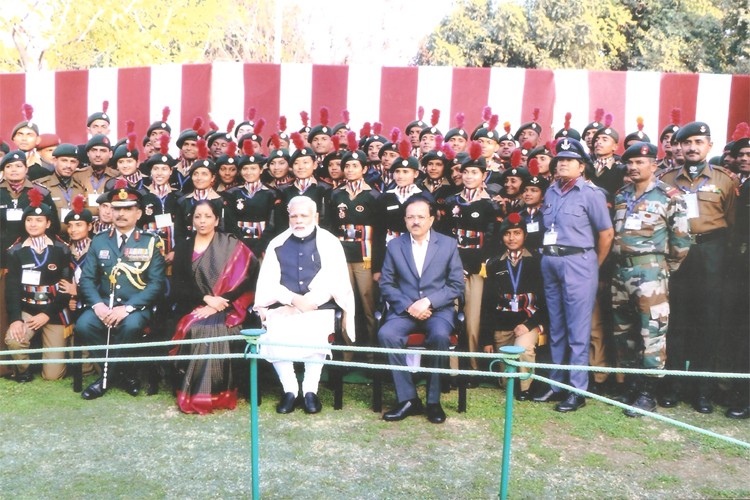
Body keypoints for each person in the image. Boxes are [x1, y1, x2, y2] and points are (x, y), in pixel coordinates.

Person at [659, 122, 739, 413]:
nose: (692, 147)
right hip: (677, 253)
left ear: (709, 145)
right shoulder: (665, 179)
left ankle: (702, 391)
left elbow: (731, 223)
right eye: (687, 142)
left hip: (711, 253)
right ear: (678, 146)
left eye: (698, 142)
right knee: (676, 321)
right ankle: (672, 386)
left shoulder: (725, 180)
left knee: (708, 322)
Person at [610, 142, 691, 416]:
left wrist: (665, 268)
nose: (633, 167)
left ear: (653, 165)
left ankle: (648, 393)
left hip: (651, 272)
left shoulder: (669, 195)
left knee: (652, 332)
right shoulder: (621, 195)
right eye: (629, 163)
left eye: (639, 162)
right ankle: (632, 385)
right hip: (621, 272)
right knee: (624, 333)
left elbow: (681, 239)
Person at [254, 196, 355, 415]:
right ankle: (290, 390)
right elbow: (269, 282)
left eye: (304, 215)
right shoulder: (277, 243)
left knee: (315, 329)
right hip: (284, 305)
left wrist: (311, 301)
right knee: (275, 330)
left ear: (315, 216)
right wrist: (292, 299)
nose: (299, 220)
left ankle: (310, 390)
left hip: (319, 306)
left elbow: (335, 280)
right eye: (294, 216)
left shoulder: (329, 242)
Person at [535, 138, 613, 412]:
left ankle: (577, 390)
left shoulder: (592, 194)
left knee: (578, 329)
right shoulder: (552, 191)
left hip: (578, 261)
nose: (563, 163)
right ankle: (557, 385)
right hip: (551, 261)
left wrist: (594, 264)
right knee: (556, 327)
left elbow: (606, 233)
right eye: (560, 160)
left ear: (582, 166)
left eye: (570, 160)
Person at [74, 181, 166, 400]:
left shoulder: (150, 241)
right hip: (105, 302)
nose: (121, 214)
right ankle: (124, 374)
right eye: (117, 208)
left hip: (135, 306)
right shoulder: (99, 241)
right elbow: (86, 279)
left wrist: (127, 308)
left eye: (127, 209)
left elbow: (156, 283)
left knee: (131, 326)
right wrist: (98, 306)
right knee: (84, 325)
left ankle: (106, 379)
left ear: (138, 213)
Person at [378, 195, 464, 424]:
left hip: (438, 311)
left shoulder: (447, 244)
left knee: (439, 336)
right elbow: (386, 283)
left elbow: (456, 285)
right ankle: (407, 399)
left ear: (432, 219)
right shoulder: (395, 245)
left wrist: (428, 302)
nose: (415, 221)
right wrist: (409, 305)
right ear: (405, 220)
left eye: (421, 217)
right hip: (404, 310)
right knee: (386, 334)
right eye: (410, 217)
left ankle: (433, 401)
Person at [169, 200, 259, 414]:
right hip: (194, 306)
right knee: (199, 329)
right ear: (192, 220)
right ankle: (194, 393)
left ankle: (219, 393)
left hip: (228, 306)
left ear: (217, 219)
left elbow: (249, 274)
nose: (202, 221)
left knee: (217, 329)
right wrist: (206, 299)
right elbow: (179, 286)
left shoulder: (231, 244)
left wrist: (221, 302)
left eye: (208, 216)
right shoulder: (183, 247)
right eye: (198, 216)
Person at [4, 188, 72, 382]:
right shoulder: (16, 251)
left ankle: (53, 361)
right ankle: (23, 371)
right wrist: (16, 318)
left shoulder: (61, 249)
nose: (33, 224)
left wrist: (46, 314)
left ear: (48, 223)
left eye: (39, 220)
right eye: (29, 220)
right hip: (28, 308)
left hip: (54, 310)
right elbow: (12, 288)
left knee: (53, 376)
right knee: (15, 338)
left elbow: (65, 289)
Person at [480, 212, 547, 401]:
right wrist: (486, 339)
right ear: (502, 237)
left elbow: (546, 301)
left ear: (525, 235)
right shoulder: (494, 264)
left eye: (517, 233)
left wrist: (529, 324)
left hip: (527, 322)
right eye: (507, 233)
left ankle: (527, 388)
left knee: (523, 348)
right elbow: (487, 304)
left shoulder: (537, 262)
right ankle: (515, 382)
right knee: (505, 380)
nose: (512, 238)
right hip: (502, 324)